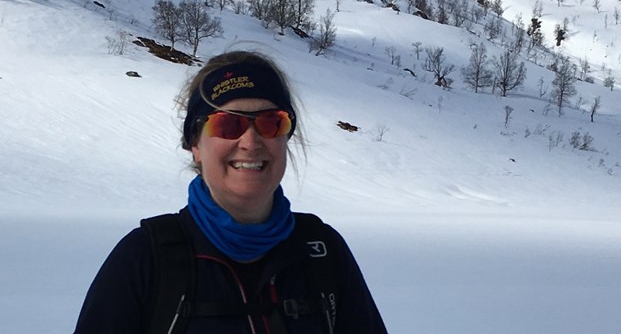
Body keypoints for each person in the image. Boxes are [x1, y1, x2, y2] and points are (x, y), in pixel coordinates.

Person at [75, 50, 387, 334]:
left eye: (271, 123)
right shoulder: (145, 259)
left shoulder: (322, 252)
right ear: (196, 145)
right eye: (228, 125)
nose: (250, 142)